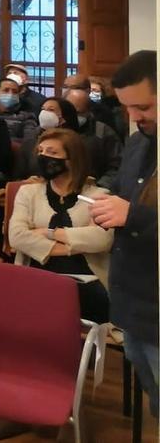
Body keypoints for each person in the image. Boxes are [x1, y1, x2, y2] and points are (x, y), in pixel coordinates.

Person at [89, 50, 158, 415]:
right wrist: (105, 202)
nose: (134, 118)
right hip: (133, 301)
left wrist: (133, 216)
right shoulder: (137, 142)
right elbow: (120, 190)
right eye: (127, 108)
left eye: (143, 107)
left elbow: (134, 213)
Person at [8, 128, 112, 323]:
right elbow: (17, 236)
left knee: (72, 301)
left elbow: (102, 240)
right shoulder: (28, 193)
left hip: (87, 279)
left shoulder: (98, 196)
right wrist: (78, 244)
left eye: (53, 153)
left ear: (72, 159)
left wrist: (48, 233)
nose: (44, 157)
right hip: (36, 275)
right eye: (41, 151)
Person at [13, 98, 90, 181]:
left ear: (63, 118)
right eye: (43, 109)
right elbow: (18, 175)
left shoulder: (77, 143)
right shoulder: (30, 141)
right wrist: (25, 182)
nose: (44, 113)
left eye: (51, 110)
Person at [65, 87, 122, 188]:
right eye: (69, 112)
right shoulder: (54, 130)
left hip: (91, 190)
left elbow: (117, 167)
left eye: (78, 113)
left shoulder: (103, 132)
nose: (72, 116)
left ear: (88, 111)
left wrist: (99, 186)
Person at [0, 73, 39, 142]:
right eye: (6, 90)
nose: (10, 94)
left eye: (15, 92)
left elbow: (29, 141)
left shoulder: (27, 117)